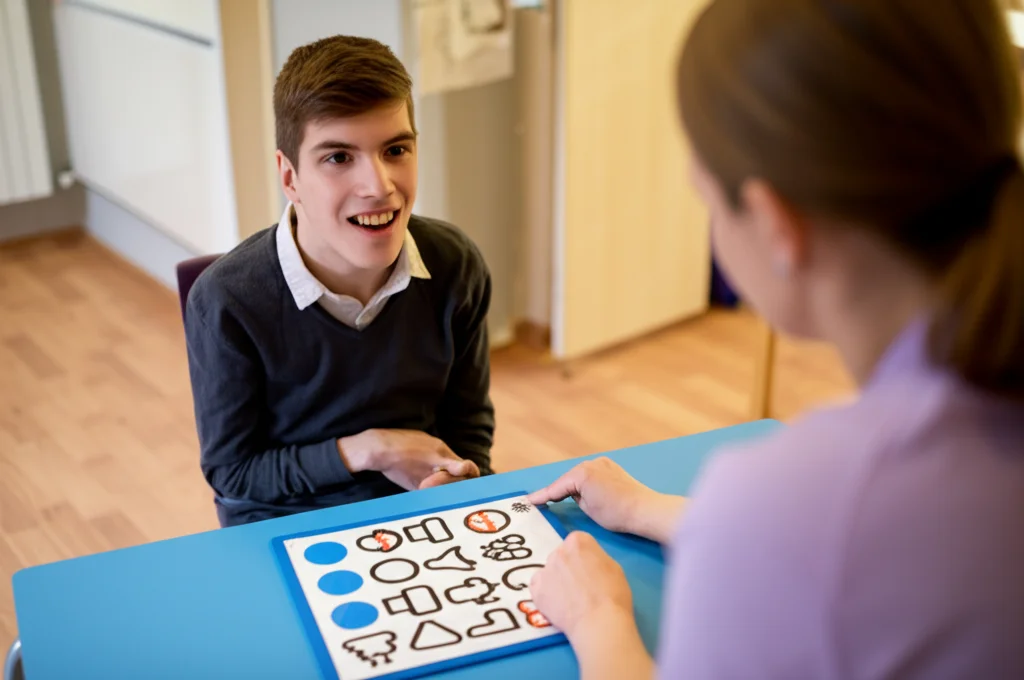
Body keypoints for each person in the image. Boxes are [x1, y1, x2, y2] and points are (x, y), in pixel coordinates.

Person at [528, 1, 1024, 677]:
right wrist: (656, 512)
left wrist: (597, 619)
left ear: (773, 222)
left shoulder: (798, 504)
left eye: (706, 200)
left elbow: (819, 544)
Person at [184, 36, 494, 527]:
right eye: (338, 158)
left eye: (396, 149)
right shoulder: (227, 301)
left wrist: (457, 479)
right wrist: (370, 449)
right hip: (288, 521)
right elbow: (235, 475)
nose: (378, 186)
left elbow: (469, 428)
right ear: (290, 177)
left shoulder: (456, 266)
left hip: (419, 510)